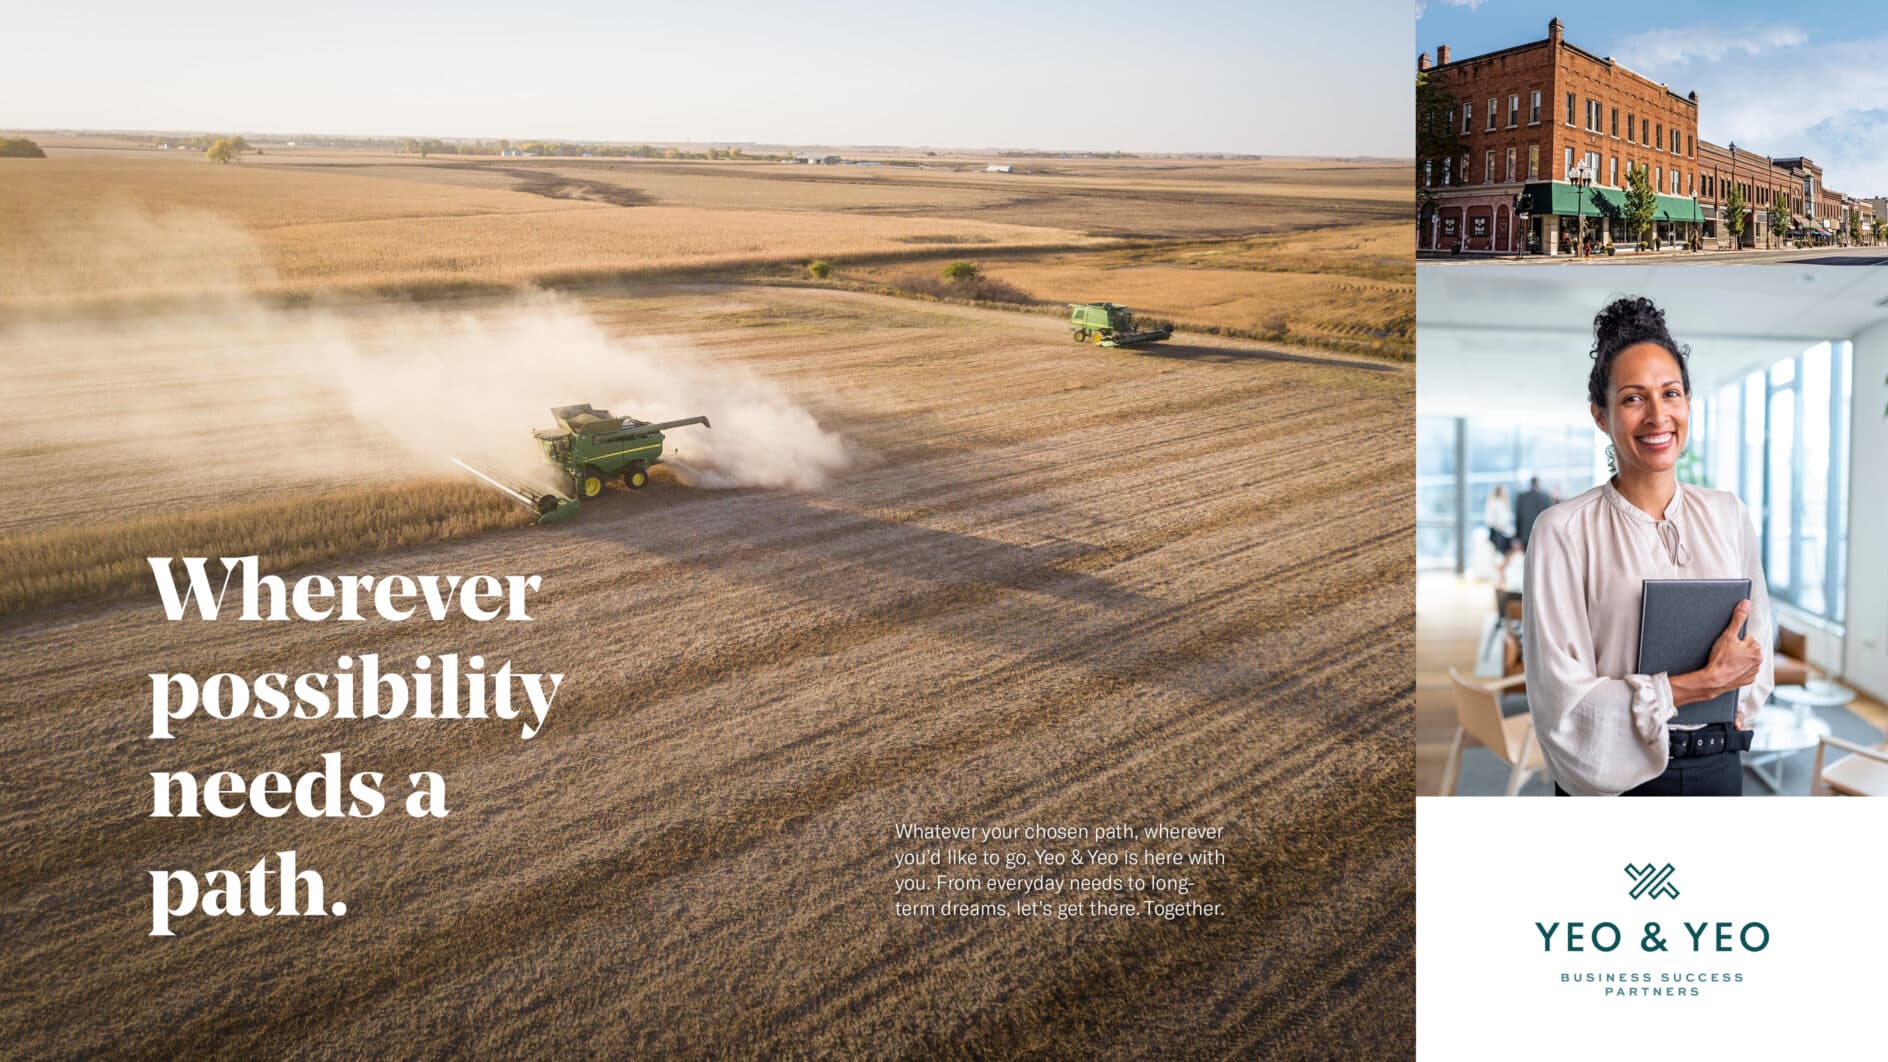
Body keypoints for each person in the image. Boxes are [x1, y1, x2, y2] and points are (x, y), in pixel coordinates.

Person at [1522, 297, 1772, 796]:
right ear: (1601, 415)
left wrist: (1737, 691)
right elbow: (1562, 705)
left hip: (1718, 769)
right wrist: (1697, 685)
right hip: (1616, 784)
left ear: (1688, 403)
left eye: (1671, 393)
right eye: (1634, 398)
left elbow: (1755, 648)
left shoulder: (1728, 514)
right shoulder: (1562, 531)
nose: (1658, 417)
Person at [1484, 484, 1517, 584]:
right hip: (1497, 533)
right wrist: (1499, 528)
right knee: (1502, 555)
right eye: (1504, 491)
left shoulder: (1504, 503)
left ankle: (1501, 573)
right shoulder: (1493, 503)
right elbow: (1490, 520)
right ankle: (1500, 575)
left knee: (1509, 553)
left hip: (1505, 532)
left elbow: (1508, 518)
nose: (1505, 493)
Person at [1513, 477, 1551, 549]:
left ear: (1530, 483)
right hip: (1541, 534)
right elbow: (1549, 517)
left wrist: (1517, 536)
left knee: (1528, 557)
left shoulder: (1522, 497)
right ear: (1538, 483)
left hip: (1525, 535)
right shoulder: (1545, 497)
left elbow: (1518, 516)